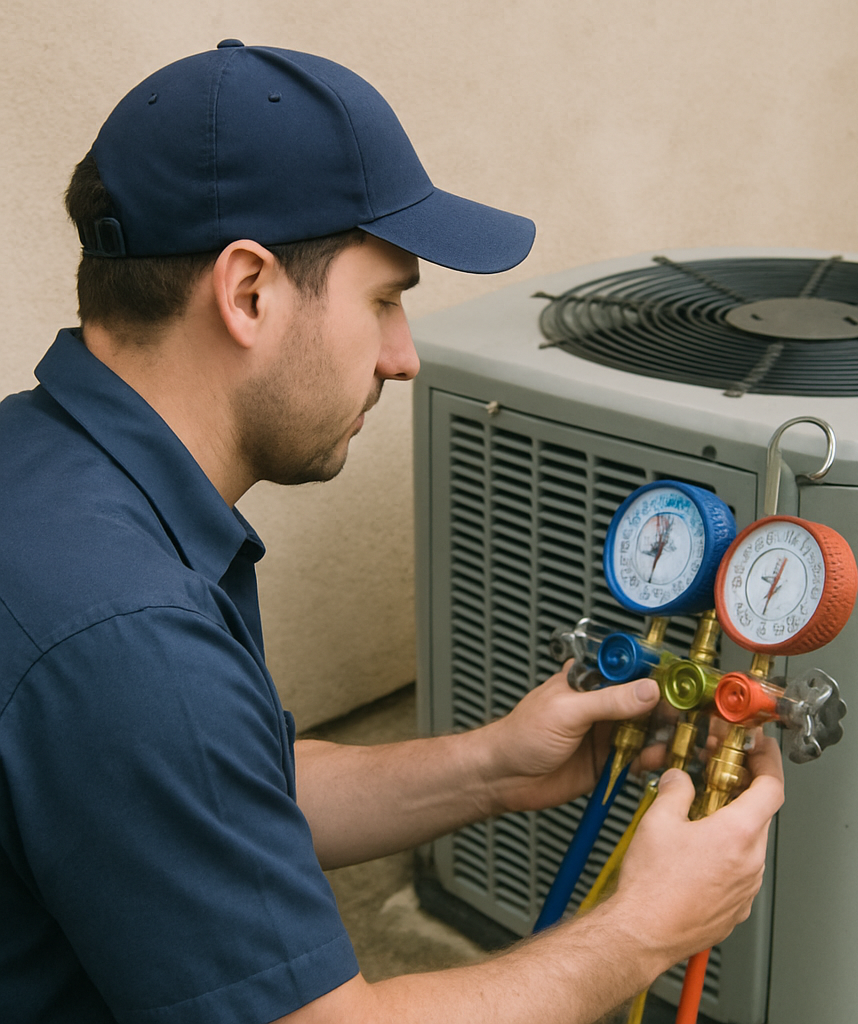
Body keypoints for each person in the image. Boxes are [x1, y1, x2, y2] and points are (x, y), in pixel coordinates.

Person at [0, 40, 784, 1024]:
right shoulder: (126, 636)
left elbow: (218, 790)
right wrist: (643, 930)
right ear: (249, 292)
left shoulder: (39, 469)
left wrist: (493, 766)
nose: (405, 359)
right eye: (384, 301)